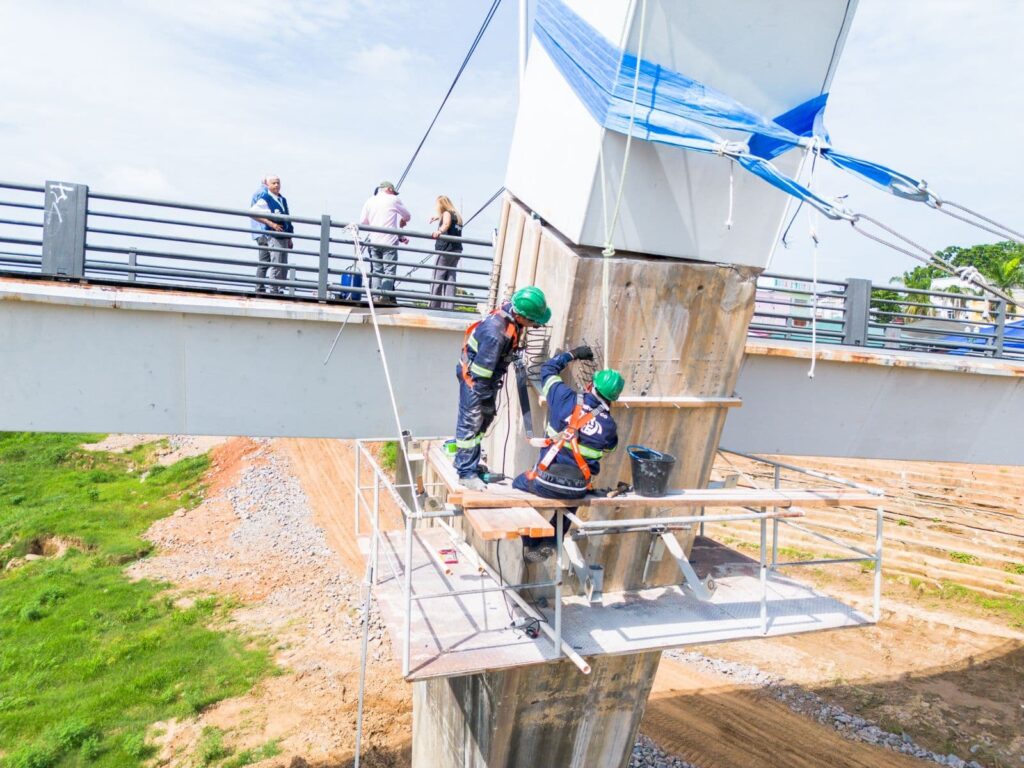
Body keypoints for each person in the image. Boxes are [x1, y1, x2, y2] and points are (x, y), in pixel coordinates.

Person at [513, 348, 625, 562]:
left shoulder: (564, 397)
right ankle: (551, 540)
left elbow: (548, 369)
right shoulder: (609, 427)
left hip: (545, 482)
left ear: (591, 386)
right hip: (577, 489)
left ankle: (530, 542)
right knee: (573, 496)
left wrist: (573, 355)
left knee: (517, 486)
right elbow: (610, 449)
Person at [455, 286, 553, 491]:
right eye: (533, 321)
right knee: (472, 422)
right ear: (521, 316)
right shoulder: (496, 333)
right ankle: (466, 473)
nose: (535, 325)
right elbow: (481, 373)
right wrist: (484, 399)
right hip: (475, 381)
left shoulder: (511, 314)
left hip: (485, 378)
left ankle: (470, 463)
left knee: (483, 421)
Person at [359, 181, 411, 301]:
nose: (394, 194)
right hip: (389, 241)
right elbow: (408, 216)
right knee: (389, 271)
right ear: (389, 189)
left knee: (376, 271)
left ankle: (375, 297)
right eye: (393, 191)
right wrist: (403, 220)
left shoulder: (370, 201)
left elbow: (363, 222)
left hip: (374, 241)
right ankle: (385, 297)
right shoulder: (394, 199)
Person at [249, 175, 294, 295]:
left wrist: (290, 236)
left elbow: (287, 218)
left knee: (282, 263)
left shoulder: (282, 199)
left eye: (278, 183)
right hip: (270, 234)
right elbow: (253, 212)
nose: (276, 185)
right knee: (274, 262)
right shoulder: (264, 196)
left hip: (283, 234)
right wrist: (271, 224)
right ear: (267, 184)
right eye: (273, 183)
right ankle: (273, 290)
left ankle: (279, 289)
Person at [428, 195, 464, 311]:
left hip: (446, 249)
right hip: (456, 250)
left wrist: (439, 231)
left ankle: (433, 306)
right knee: (450, 278)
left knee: (437, 277)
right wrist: (438, 217)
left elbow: (446, 224)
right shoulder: (457, 215)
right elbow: (450, 222)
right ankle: (449, 307)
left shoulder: (446, 213)